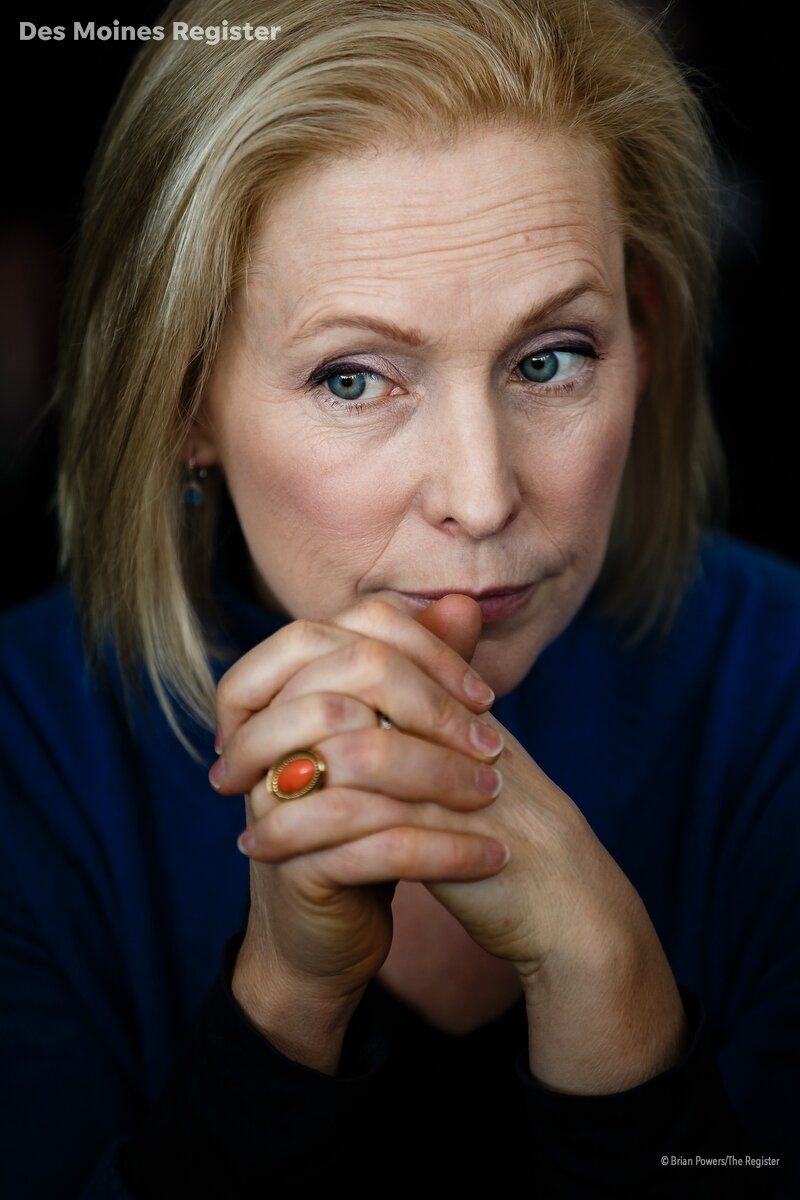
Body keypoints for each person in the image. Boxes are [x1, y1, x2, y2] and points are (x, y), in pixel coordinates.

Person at [0, 0, 796, 1196]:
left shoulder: (782, 691)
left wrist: (618, 1006)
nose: (479, 500)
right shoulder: (24, 750)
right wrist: (278, 1012)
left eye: (549, 359)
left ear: (642, 333)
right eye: (354, 376)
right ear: (183, 406)